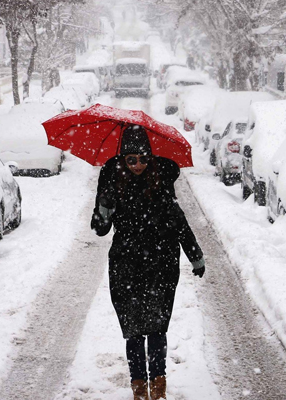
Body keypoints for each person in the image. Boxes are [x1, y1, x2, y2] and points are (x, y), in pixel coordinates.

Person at [91, 125, 204, 400]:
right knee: (132, 330)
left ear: (150, 158)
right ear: (123, 159)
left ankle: (158, 388)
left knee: (155, 327)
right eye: (131, 159)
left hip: (160, 264)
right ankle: (139, 389)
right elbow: (100, 229)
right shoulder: (111, 181)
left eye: (142, 158)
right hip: (125, 265)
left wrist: (195, 255)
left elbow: (179, 223)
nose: (138, 165)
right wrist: (104, 209)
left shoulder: (162, 181)